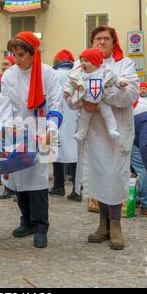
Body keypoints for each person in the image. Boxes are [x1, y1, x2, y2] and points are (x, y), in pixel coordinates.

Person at [73, 26, 139, 251]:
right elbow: (71, 95)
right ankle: (103, 225)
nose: (102, 42)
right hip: (93, 131)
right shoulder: (80, 62)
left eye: (106, 39)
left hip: (117, 130)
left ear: (113, 42)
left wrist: (99, 94)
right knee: (100, 177)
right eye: (97, 39)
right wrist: (83, 100)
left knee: (115, 176)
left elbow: (130, 95)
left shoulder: (125, 64)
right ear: (92, 42)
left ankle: (116, 225)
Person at [0, 31, 63, 248]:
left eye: (21, 55)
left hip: (42, 131)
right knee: (18, 180)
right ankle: (25, 219)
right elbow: (4, 105)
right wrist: (7, 129)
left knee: (38, 180)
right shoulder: (9, 76)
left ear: (33, 53)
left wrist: (50, 131)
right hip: (17, 132)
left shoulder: (48, 74)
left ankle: (40, 226)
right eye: (14, 55)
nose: (17, 59)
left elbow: (55, 104)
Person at [65, 48, 129, 144]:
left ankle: (112, 130)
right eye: (81, 61)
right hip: (86, 100)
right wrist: (68, 91)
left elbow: (115, 78)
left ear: (95, 62)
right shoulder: (78, 74)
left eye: (86, 61)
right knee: (83, 118)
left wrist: (120, 82)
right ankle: (81, 133)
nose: (82, 63)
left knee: (108, 115)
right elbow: (71, 84)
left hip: (101, 99)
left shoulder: (104, 72)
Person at [49, 49, 81, 201]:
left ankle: (58, 185)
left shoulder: (52, 74)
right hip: (74, 116)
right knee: (74, 153)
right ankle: (76, 188)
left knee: (55, 151)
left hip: (57, 117)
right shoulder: (76, 74)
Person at [0, 56, 17, 201]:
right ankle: (8, 188)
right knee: (5, 156)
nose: (3, 66)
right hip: (3, 122)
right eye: (2, 64)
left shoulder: (15, 81)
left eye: (6, 64)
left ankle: (16, 189)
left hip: (15, 124)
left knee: (16, 156)